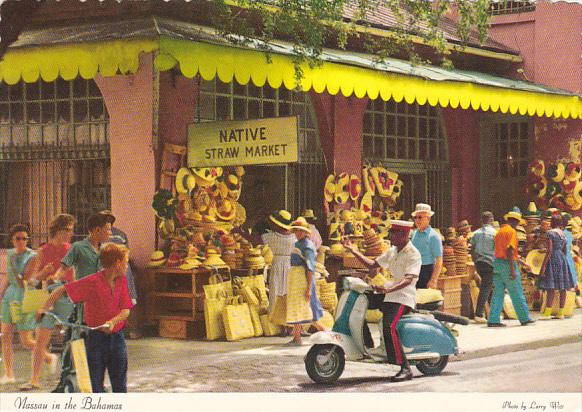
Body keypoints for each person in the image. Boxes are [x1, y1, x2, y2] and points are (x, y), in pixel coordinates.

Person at [37, 243, 133, 392]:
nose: (127, 266)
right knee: (94, 385)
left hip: (117, 339)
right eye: (126, 262)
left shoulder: (122, 281)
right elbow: (62, 289)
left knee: (120, 384)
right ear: (117, 263)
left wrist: (112, 322)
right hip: (96, 339)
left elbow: (126, 310)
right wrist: (44, 307)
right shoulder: (93, 282)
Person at [343, 220, 420, 382]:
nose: (390, 236)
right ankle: (367, 344)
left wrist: (388, 290)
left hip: (403, 297)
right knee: (358, 304)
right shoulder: (392, 251)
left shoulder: (413, 254)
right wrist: (353, 250)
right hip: (388, 291)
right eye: (390, 232)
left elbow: (408, 279)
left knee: (389, 326)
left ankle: (405, 368)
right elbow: (373, 265)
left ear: (404, 235)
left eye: (394, 233)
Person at [49, 212, 115, 392]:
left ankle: (95, 385)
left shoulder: (106, 250)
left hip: (101, 306)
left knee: (99, 347)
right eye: (107, 230)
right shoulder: (78, 247)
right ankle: (65, 383)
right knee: (73, 343)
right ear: (96, 230)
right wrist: (55, 280)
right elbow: (63, 268)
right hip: (81, 307)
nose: (110, 233)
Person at [21, 214, 76, 391]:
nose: (70, 233)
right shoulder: (42, 251)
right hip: (47, 297)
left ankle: (78, 377)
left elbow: (75, 276)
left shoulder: (72, 249)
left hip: (67, 296)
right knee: (41, 339)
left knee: (75, 339)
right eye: (67, 230)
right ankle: (34, 379)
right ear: (57, 230)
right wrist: (43, 273)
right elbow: (32, 282)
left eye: (71, 230)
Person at [0, 224, 47, 385]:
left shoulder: (32, 256)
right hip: (9, 296)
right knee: (5, 334)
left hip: (24, 296)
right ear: (12, 239)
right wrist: (2, 294)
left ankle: (47, 356)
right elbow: (8, 278)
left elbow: (24, 282)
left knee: (26, 340)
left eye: (24, 238)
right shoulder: (10, 253)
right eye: (18, 238)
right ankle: (9, 373)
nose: (21, 241)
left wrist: (13, 264)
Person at [282, 217, 327, 345]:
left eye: (300, 231)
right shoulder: (298, 244)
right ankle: (297, 337)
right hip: (296, 279)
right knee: (297, 308)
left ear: (305, 232)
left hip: (304, 280)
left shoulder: (307, 246)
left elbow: (310, 268)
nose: (297, 233)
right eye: (296, 230)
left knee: (308, 310)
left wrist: (308, 289)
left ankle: (327, 333)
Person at [488, 207, 535, 327]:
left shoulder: (499, 232)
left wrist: (523, 263)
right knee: (517, 292)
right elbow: (509, 251)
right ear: (515, 221)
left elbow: (503, 251)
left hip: (497, 264)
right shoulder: (512, 232)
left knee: (498, 293)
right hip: (508, 265)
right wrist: (513, 270)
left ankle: (493, 320)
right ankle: (524, 318)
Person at [538, 214, 575, 320]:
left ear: (553, 222)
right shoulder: (562, 234)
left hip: (553, 258)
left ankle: (548, 312)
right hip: (562, 258)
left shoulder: (550, 233)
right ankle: (561, 313)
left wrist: (544, 266)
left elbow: (549, 250)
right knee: (563, 287)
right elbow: (564, 249)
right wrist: (563, 260)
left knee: (551, 286)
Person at [98, 210, 138, 305]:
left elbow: (125, 251)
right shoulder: (98, 234)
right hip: (107, 262)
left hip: (114, 262)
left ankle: (129, 296)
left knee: (126, 270)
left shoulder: (120, 235)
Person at [261, 210, 297, 312]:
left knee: (276, 290)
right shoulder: (295, 238)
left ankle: (275, 316)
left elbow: (255, 240)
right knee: (288, 291)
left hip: (277, 264)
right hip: (291, 265)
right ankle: (288, 320)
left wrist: (240, 232)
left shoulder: (272, 236)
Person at [469, 211, 497, 324]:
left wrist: (475, 261)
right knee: (486, 288)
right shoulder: (495, 233)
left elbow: (471, 250)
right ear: (492, 220)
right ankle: (479, 314)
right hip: (491, 263)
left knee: (488, 287)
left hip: (480, 263)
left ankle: (489, 313)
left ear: (482, 220)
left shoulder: (476, 233)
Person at [410, 203, 443, 289]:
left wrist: (433, 280)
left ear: (428, 218)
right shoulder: (414, 234)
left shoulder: (434, 236)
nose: (417, 220)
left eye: (420, 217)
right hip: (413, 270)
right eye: (415, 217)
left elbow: (439, 260)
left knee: (423, 300)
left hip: (426, 271)